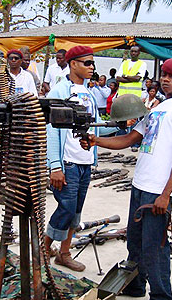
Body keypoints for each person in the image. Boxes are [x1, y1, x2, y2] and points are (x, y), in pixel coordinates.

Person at [81, 58, 172, 300]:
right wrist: (95, 141)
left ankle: (161, 298)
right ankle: (136, 284)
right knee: (135, 241)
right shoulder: (156, 108)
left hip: (158, 190)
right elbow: (130, 139)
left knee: (155, 246)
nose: (166, 80)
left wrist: (167, 194)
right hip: (141, 184)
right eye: (164, 75)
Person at [43, 45, 117, 272]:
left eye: (93, 63)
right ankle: (44, 249)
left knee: (76, 211)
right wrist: (55, 166)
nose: (92, 67)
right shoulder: (59, 91)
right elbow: (51, 131)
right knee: (66, 207)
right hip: (67, 162)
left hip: (85, 162)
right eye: (87, 63)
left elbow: (94, 128)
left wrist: (118, 127)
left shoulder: (91, 94)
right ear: (72, 63)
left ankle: (64, 254)